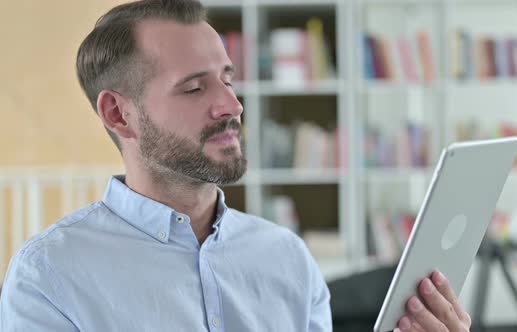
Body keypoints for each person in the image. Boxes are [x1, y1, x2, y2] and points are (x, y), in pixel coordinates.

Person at [0, 1, 471, 331]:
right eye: (194, 88)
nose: (231, 105)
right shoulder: (49, 275)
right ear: (118, 114)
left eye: (228, 79)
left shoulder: (287, 259)